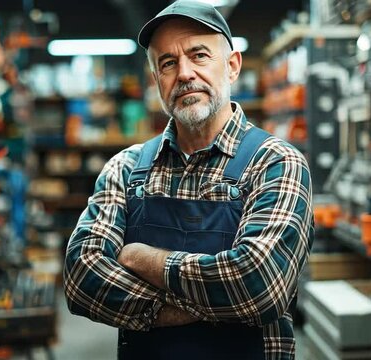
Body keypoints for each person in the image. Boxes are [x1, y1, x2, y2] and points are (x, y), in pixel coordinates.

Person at [64, 1, 314, 359]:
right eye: (167, 63)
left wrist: (142, 259)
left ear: (232, 66)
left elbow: (259, 285)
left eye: (199, 55)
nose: (184, 73)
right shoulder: (125, 169)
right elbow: (81, 278)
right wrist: (174, 310)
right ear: (157, 81)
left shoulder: (276, 163)